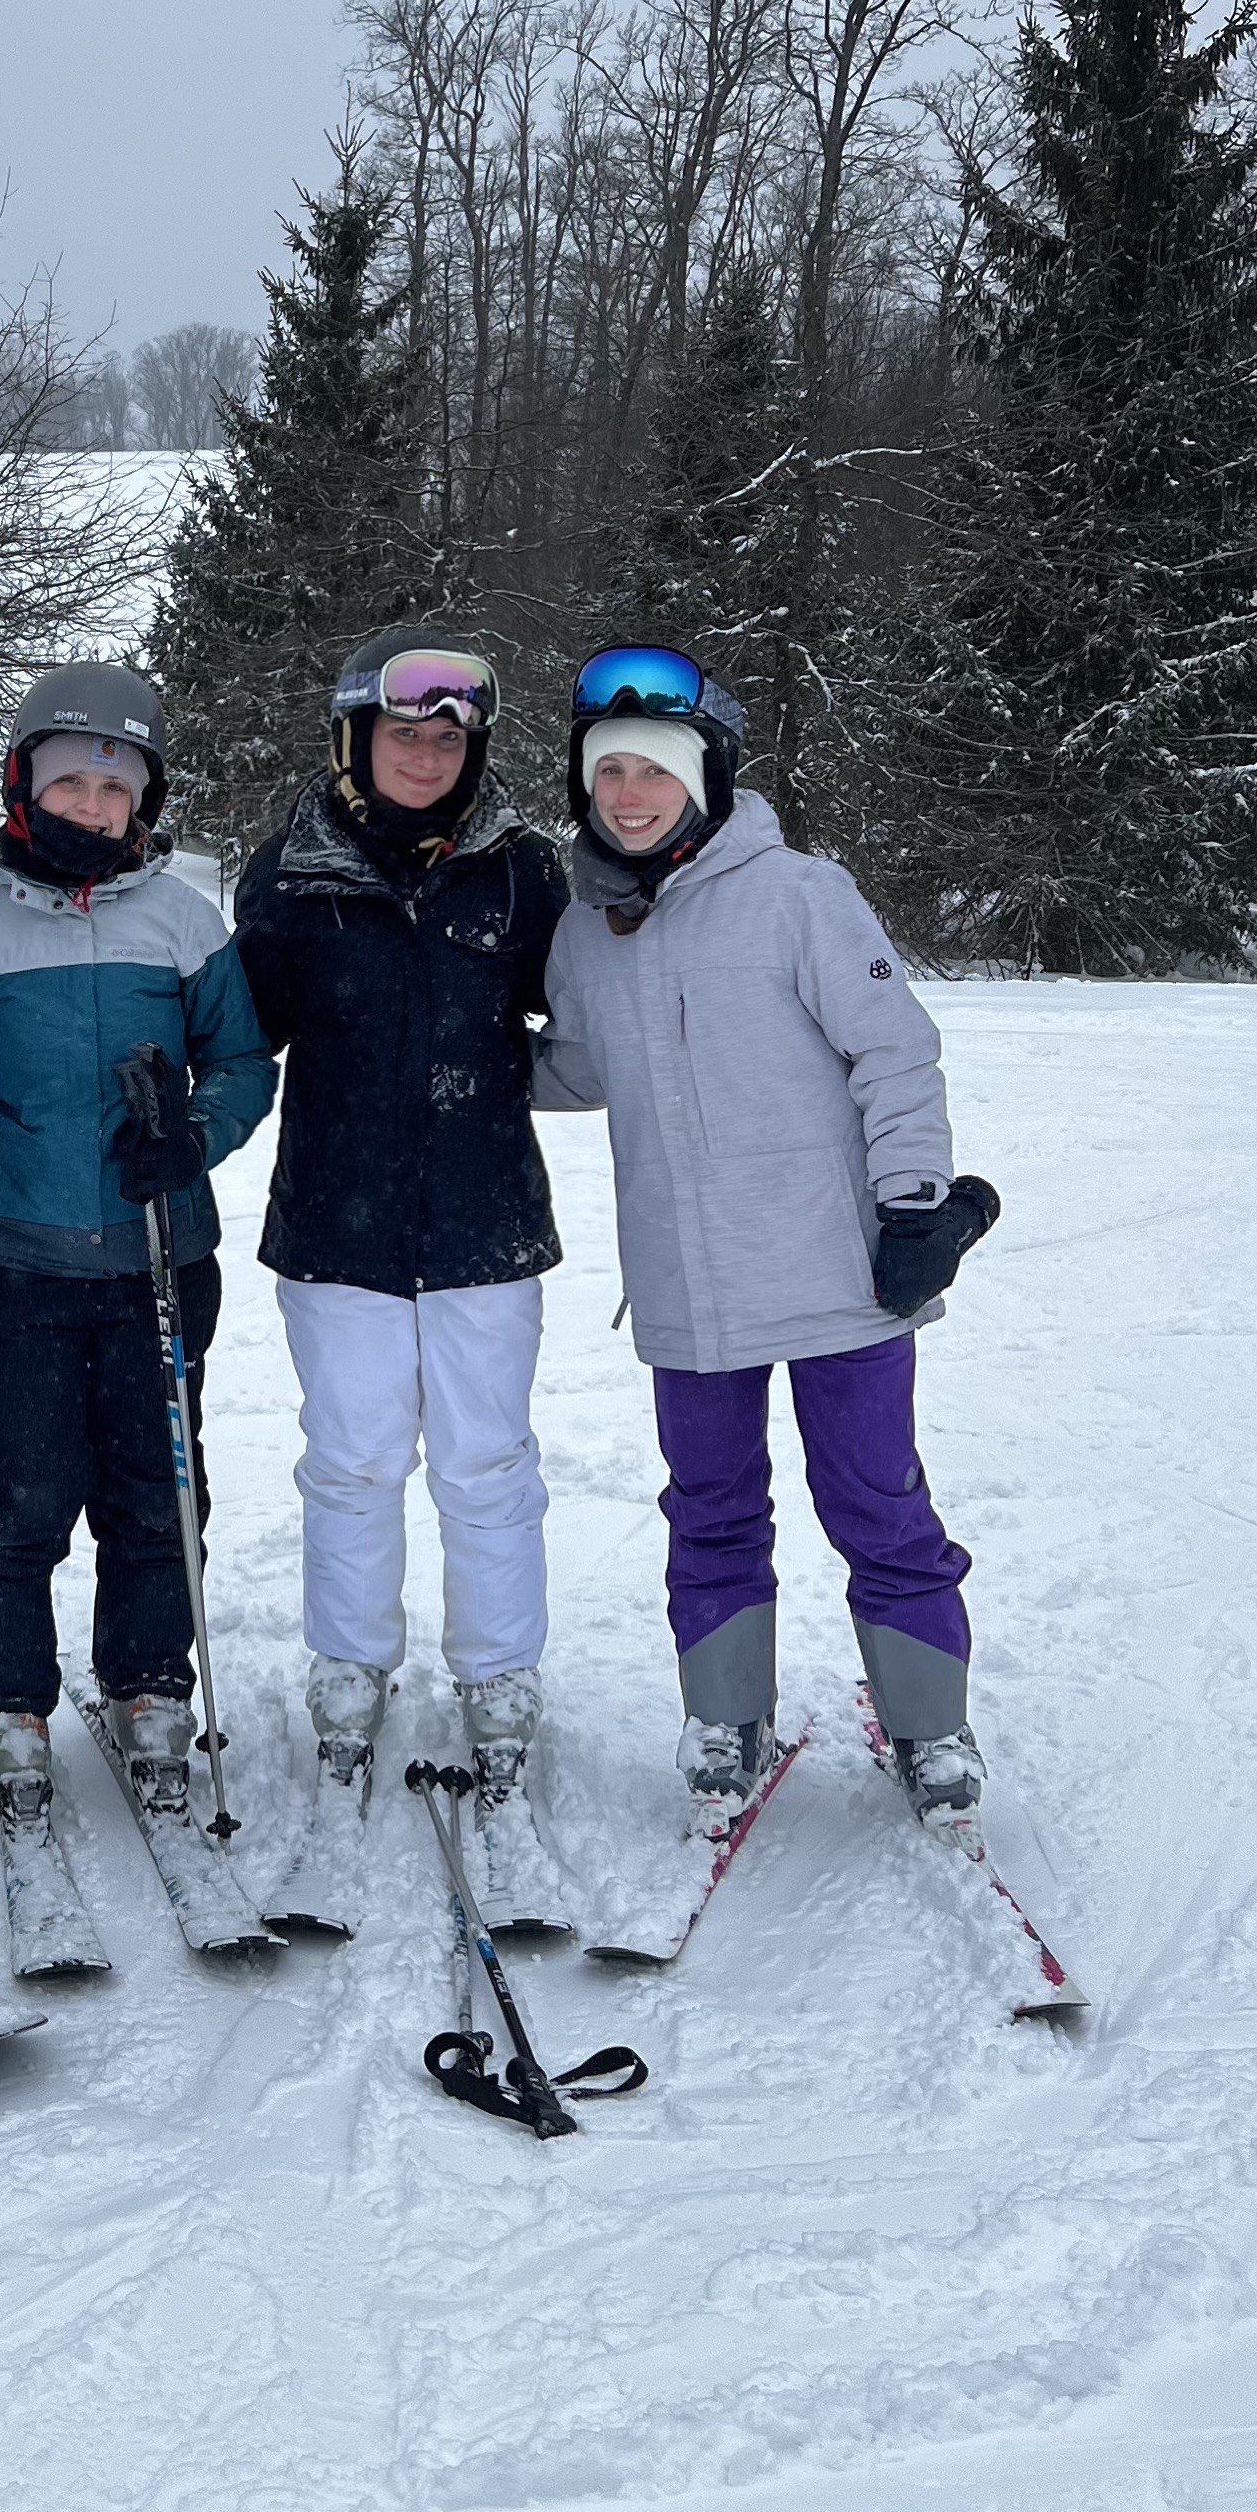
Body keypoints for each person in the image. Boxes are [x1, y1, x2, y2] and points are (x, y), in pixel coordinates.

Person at [534, 643, 1001, 1831]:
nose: (627, 793)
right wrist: (460, 1065)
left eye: (652, 769)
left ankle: (928, 1722)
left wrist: (912, 1203)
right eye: (607, 773)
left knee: (873, 1497)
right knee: (709, 1503)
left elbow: (891, 1050)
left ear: (704, 775)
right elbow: (582, 1065)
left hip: (836, 1273)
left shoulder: (796, 893)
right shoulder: (589, 928)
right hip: (689, 1283)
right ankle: (724, 1715)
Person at [0, 664, 274, 1832]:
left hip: (159, 1256)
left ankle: (149, 1680)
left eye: (114, 784)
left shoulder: (183, 919)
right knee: (19, 1486)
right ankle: (6, 1695)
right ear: (21, 781)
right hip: (21, 1265)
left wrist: (193, 1137)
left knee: (158, 1488)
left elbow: (244, 1061)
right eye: (68, 779)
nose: (91, 802)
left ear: (141, 799)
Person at [233, 624, 568, 1820]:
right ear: (352, 738)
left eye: (445, 735)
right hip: (335, 1224)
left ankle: (498, 1677)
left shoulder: (523, 871)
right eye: (399, 732)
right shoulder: (286, 873)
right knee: (353, 1458)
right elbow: (237, 1036)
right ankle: (348, 1669)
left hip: (484, 1219)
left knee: (487, 1463)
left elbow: (583, 1014)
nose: (422, 753)